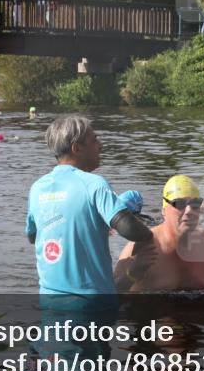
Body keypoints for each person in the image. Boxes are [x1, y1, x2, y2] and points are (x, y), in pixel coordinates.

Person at [26, 115, 155, 296]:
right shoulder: (94, 184)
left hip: (49, 300)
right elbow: (128, 228)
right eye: (94, 140)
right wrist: (149, 235)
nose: (100, 146)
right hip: (91, 303)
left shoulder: (37, 188)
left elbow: (33, 236)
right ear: (77, 148)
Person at [114, 175, 204, 292]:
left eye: (195, 204)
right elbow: (108, 295)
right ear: (164, 211)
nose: (189, 211)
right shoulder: (139, 249)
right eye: (179, 204)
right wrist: (132, 273)